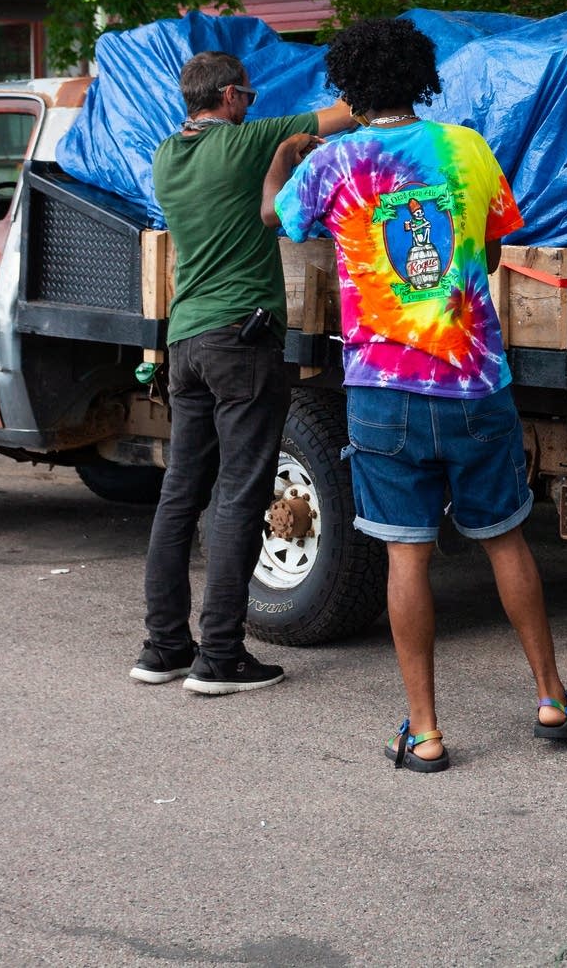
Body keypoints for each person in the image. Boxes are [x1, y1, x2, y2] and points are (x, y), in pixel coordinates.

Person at [267, 17, 567, 773]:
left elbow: (276, 218)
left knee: (406, 556)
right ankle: (551, 699)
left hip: (382, 393)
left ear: (346, 88)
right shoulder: (466, 149)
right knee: (505, 538)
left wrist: (282, 153)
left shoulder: (335, 161)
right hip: (475, 381)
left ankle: (426, 731)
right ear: (421, 79)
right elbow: (501, 243)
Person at [131, 53, 355, 693]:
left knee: (180, 495)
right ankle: (221, 658)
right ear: (228, 95)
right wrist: (292, 144)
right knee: (240, 495)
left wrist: (281, 147)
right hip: (243, 337)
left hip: (187, 339)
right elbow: (344, 114)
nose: (252, 105)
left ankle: (164, 647)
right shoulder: (246, 141)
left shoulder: (166, 155)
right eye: (248, 96)